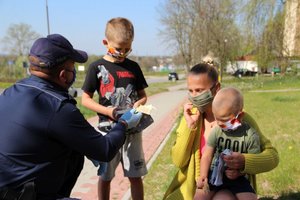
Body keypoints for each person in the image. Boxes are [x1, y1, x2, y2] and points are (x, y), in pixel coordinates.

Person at [0, 34, 144, 200]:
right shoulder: (58, 107)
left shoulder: (10, 92)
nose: (74, 72)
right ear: (63, 75)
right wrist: (124, 123)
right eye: (72, 66)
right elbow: (104, 150)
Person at [163, 63, 279, 200]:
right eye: (191, 91)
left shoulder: (240, 120)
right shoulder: (190, 117)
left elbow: (272, 157)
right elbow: (178, 162)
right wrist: (190, 127)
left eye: (199, 90)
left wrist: (244, 161)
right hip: (195, 189)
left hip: (232, 187)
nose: (194, 96)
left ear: (216, 88)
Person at [81, 17, 148, 200]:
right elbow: (85, 100)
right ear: (106, 43)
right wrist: (108, 112)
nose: (123, 53)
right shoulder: (96, 67)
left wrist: (137, 105)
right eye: (119, 48)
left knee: (135, 176)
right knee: (105, 176)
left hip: (132, 132)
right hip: (106, 133)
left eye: (128, 49)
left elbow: (143, 96)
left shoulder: (133, 67)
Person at [194, 87, 260, 200]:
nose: (219, 123)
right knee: (199, 197)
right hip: (214, 175)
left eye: (224, 120)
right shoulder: (217, 131)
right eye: (217, 118)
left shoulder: (250, 136)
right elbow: (207, 155)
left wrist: (240, 173)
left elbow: (254, 161)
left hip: (238, 178)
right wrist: (203, 175)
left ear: (240, 115)